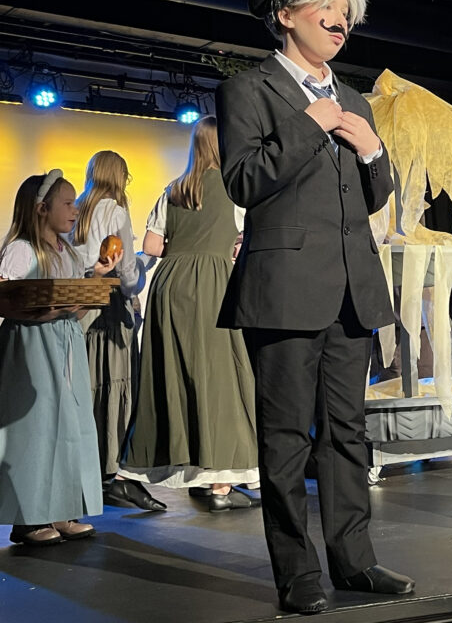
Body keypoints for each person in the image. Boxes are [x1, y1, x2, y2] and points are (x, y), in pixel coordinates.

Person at [217, 0, 413, 615]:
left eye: (346, 10)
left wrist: (372, 152)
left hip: (353, 290)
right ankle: (296, 574)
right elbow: (244, 181)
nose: (340, 19)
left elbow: (372, 196)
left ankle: (354, 562)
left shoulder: (355, 99)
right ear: (285, 13)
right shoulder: (250, 90)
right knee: (284, 439)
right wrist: (312, 123)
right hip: (283, 292)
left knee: (348, 433)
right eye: (326, 6)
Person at [121, 116, 260, 512]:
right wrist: (222, 246)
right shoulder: (234, 189)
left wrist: (188, 246)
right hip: (213, 283)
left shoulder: (174, 189)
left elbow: (152, 245)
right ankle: (219, 483)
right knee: (221, 376)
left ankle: (166, 470)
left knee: (172, 375)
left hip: (170, 284)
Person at [0, 170, 119, 545]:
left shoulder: (67, 252)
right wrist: (51, 309)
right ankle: (28, 517)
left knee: (68, 425)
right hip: (32, 344)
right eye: (67, 203)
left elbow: (74, 310)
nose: (75, 209)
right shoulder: (22, 250)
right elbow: (9, 301)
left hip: (64, 343)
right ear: (41, 209)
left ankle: (61, 508)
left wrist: (93, 284)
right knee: (36, 429)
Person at [71, 151, 165, 511]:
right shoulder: (115, 211)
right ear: (119, 177)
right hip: (110, 310)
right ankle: (114, 474)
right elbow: (126, 278)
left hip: (82, 309)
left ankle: (87, 469)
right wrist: (145, 263)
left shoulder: (78, 208)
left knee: (90, 387)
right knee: (116, 386)